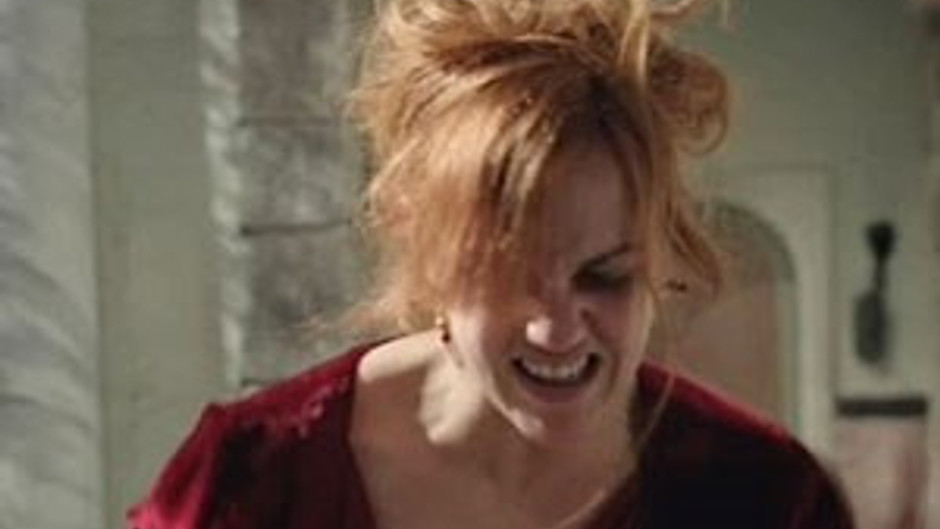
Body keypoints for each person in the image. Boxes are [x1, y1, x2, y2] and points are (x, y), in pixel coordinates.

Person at [129, 0, 854, 527]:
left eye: (603, 276)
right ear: (428, 251)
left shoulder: (766, 499)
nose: (556, 328)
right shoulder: (253, 482)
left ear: (659, 255)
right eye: (510, 276)